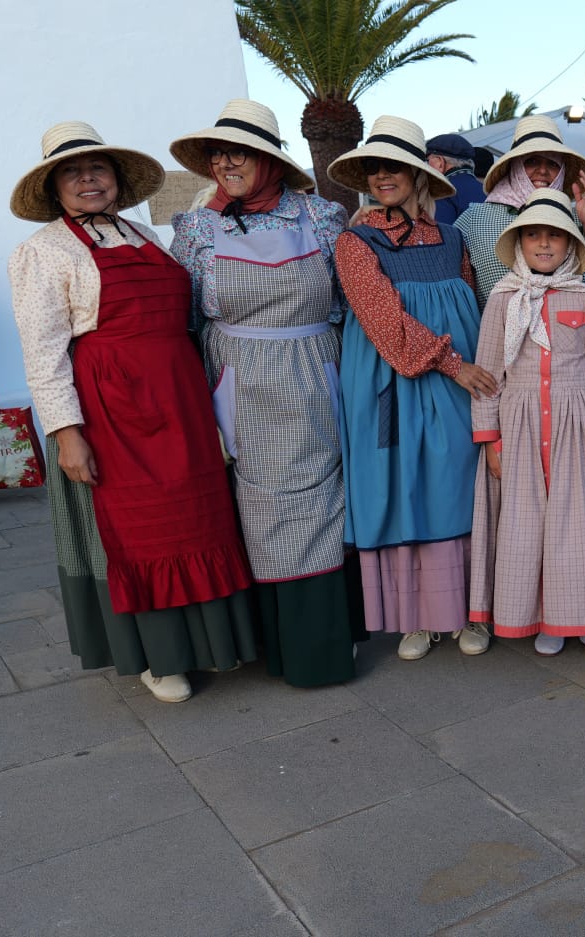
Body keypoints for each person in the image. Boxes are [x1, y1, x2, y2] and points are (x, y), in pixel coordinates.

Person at [8, 122, 256, 703]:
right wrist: (67, 434)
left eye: (97, 168)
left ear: (116, 178)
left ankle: (212, 643)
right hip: (112, 410)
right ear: (54, 189)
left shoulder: (144, 234)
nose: (87, 179)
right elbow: (42, 352)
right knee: (143, 533)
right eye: (72, 172)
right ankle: (158, 657)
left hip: (179, 397)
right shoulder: (42, 252)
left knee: (199, 520)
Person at [171, 99, 360, 688]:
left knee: (322, 500)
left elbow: (349, 300)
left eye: (242, 154)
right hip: (240, 382)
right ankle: (277, 644)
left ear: (271, 161)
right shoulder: (196, 229)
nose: (227, 164)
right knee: (259, 506)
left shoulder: (322, 217)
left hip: (314, 374)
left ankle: (323, 647)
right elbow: (187, 318)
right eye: (219, 155)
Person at [328, 116, 497, 660]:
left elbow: (472, 304)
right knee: (400, 480)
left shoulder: (453, 237)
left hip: (456, 378)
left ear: (420, 174)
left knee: (458, 478)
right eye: (374, 169)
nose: (383, 177)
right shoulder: (355, 242)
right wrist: (453, 363)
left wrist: (471, 365)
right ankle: (415, 617)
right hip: (391, 379)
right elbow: (381, 317)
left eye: (394, 167)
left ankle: (472, 610)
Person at [467, 190, 585, 664]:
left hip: (580, 427)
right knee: (530, 529)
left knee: (584, 527)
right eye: (533, 235)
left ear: (571, 244)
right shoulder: (502, 300)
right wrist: (490, 439)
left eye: (555, 235)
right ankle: (549, 620)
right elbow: (488, 374)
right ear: (519, 243)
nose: (544, 244)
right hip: (521, 429)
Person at [455, 114, 585, 309]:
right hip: (498, 327)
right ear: (514, 166)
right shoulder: (474, 220)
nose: (543, 171)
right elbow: (459, 295)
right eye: (532, 161)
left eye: (553, 164)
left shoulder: (576, 218)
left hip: (571, 328)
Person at [425, 132, 486, 225]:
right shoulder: (488, 191)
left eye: (428, 161)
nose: (427, 166)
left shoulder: (442, 192)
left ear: (440, 162)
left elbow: (440, 232)